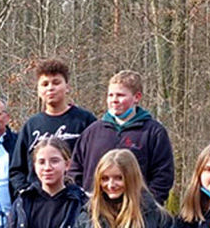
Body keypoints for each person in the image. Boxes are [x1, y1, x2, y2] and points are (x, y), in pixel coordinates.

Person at [68, 71, 174, 204]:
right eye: (110, 95)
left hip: (137, 213)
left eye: (120, 95)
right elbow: (75, 170)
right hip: (95, 211)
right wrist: (82, 201)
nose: (114, 100)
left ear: (137, 97)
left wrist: (147, 206)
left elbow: (163, 176)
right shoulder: (92, 132)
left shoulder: (153, 132)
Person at [11, 58, 96, 194]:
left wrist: (87, 192)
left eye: (56, 82)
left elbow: (96, 162)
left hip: (76, 200)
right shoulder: (31, 126)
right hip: (38, 202)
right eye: (45, 84)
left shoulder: (85, 121)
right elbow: (17, 169)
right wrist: (24, 191)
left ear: (67, 87)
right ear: (38, 91)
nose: (50, 88)